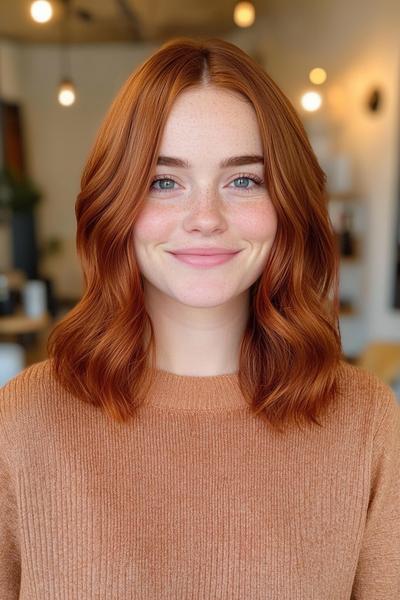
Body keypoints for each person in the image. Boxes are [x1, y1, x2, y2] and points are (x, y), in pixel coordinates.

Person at [0, 36, 399, 599]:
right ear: (117, 204)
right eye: (165, 181)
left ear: (287, 203)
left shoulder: (367, 424)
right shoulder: (22, 422)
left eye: (243, 180)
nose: (205, 217)